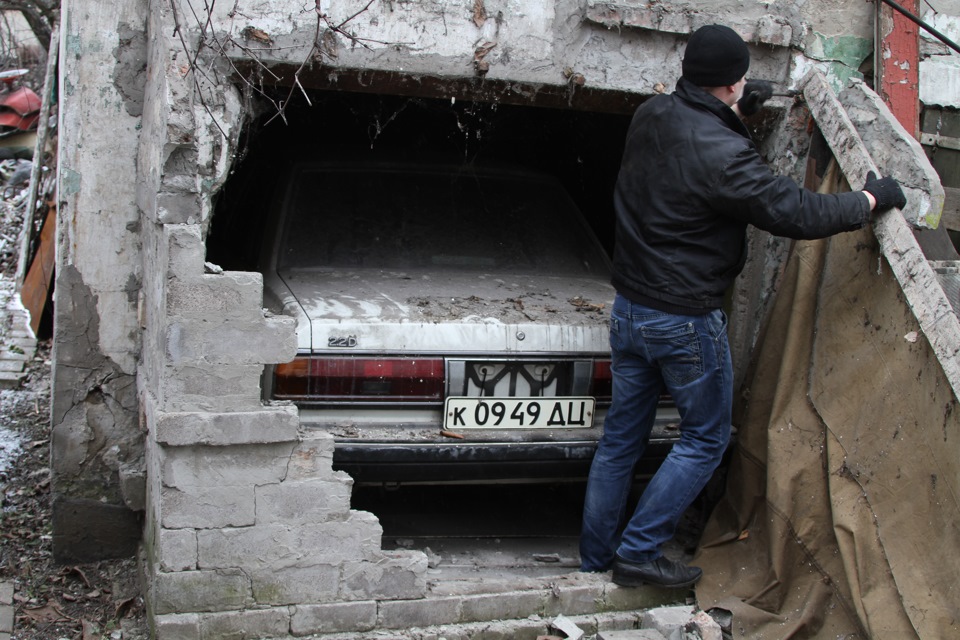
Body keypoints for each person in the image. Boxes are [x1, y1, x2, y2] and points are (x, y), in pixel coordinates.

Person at [579, 24, 906, 588]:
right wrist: (872, 198)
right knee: (704, 438)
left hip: (630, 309)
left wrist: (734, 116)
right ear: (731, 83)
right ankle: (638, 552)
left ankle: (596, 556)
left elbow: (695, 163)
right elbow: (796, 212)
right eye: (742, 77)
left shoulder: (649, 114)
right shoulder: (725, 154)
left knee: (621, 440)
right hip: (683, 319)